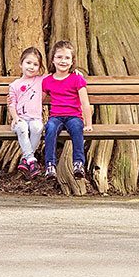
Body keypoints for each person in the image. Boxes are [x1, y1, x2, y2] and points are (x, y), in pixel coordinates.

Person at [42, 40, 93, 180]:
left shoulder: (77, 79)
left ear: (72, 62)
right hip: (56, 116)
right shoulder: (47, 81)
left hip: (74, 116)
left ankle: (78, 163)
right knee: (50, 128)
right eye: (59, 57)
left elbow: (84, 102)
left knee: (77, 129)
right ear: (52, 59)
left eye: (67, 58)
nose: (63, 61)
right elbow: (37, 100)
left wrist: (88, 124)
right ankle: (50, 165)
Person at [8, 47, 45, 179]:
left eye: (35, 64)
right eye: (28, 63)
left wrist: (74, 71)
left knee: (37, 127)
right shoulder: (14, 85)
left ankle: (26, 159)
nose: (31, 67)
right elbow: (12, 104)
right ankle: (32, 160)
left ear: (40, 67)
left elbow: (57, 75)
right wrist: (15, 118)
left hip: (35, 118)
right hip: (21, 119)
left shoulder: (41, 80)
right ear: (21, 64)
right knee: (22, 127)